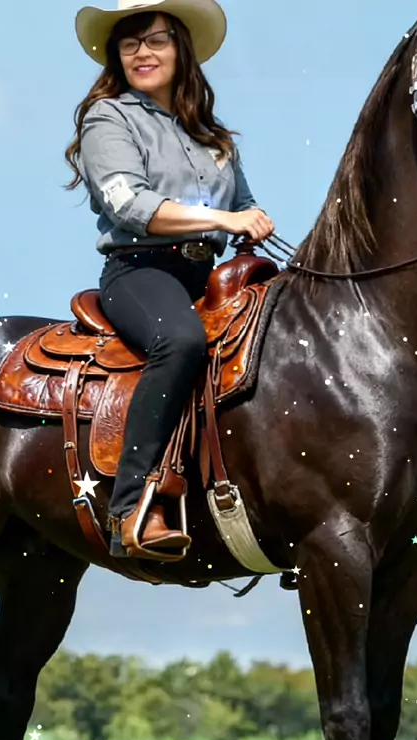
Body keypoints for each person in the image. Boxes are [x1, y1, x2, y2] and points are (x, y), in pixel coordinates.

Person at [66, 0, 275, 559]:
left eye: (155, 39)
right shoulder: (108, 118)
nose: (142, 52)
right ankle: (130, 505)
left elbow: (244, 205)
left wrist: (252, 221)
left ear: (180, 49)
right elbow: (130, 205)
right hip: (141, 270)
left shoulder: (214, 138)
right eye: (129, 43)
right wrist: (223, 219)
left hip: (206, 274)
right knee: (180, 341)